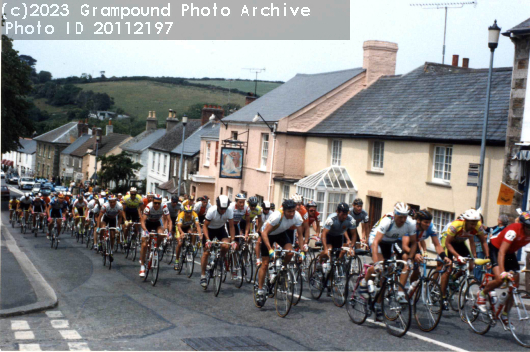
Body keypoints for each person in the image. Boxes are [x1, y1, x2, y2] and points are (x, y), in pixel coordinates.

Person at [365, 202, 417, 320]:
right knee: (382, 267)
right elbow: (375, 243)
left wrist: (410, 259)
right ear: (395, 214)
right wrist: (377, 262)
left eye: (405, 216)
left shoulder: (410, 223)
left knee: (386, 276)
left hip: (389, 243)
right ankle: (365, 281)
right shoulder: (387, 221)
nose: (403, 219)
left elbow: (414, 243)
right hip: (377, 240)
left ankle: (378, 305)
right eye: (400, 217)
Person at [477, 212, 530, 322]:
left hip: (510, 253)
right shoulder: (513, 230)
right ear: (524, 225)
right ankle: (482, 293)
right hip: (496, 249)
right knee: (500, 279)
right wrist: (502, 272)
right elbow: (502, 252)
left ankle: (504, 314)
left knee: (514, 285)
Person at [255, 199, 305, 306]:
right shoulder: (277, 216)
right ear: (284, 210)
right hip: (268, 235)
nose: (292, 214)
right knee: (265, 263)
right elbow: (264, 233)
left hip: (281, 233)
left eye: (293, 211)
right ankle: (260, 290)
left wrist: (301, 251)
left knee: (290, 253)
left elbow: (300, 235)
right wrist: (270, 249)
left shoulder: (297, 216)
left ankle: (282, 269)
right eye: (289, 212)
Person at [440, 208, 489, 310]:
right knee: (448, 268)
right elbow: (447, 244)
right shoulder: (456, 225)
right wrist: (458, 256)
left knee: (470, 265)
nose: (473, 226)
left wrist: (479, 257)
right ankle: (443, 297)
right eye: (471, 224)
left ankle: (453, 279)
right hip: (448, 241)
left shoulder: (478, 227)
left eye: (475, 223)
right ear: (465, 221)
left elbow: (481, 242)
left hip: (460, 242)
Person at [200, 195, 235, 288]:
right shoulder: (212, 211)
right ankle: (203, 275)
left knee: (226, 246)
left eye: (225, 209)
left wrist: (233, 240)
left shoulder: (229, 210)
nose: (223, 211)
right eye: (221, 209)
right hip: (210, 230)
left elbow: (231, 226)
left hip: (220, 229)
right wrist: (207, 239)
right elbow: (205, 226)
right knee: (206, 252)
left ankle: (220, 260)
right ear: (217, 205)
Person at [318, 203, 357, 282]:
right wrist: (325, 248)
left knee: (335, 259)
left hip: (339, 236)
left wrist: (351, 247)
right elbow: (324, 234)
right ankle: (319, 262)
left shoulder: (351, 220)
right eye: (342, 214)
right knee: (328, 251)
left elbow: (354, 235)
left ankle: (331, 278)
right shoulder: (331, 219)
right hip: (328, 235)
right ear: (337, 212)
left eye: (346, 214)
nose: (344, 216)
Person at [140, 194, 170, 277]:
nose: (157, 205)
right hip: (147, 224)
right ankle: (142, 265)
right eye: (155, 203)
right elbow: (143, 221)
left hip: (156, 223)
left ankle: (156, 248)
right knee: (145, 244)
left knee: (161, 233)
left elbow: (169, 220)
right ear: (153, 202)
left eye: (158, 203)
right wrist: (145, 231)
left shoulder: (164, 206)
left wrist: (169, 232)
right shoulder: (148, 207)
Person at [174, 205, 202, 270]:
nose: (189, 214)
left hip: (187, 227)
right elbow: (179, 227)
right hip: (180, 228)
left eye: (190, 212)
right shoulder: (181, 215)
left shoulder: (194, 214)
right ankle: (177, 261)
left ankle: (191, 245)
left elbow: (197, 225)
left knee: (192, 232)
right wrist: (181, 233)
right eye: (187, 212)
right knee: (180, 243)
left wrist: (200, 233)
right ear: (185, 212)